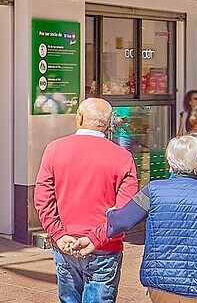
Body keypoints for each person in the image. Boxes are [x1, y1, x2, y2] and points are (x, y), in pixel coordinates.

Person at [106, 132, 197, 303]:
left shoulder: (153, 190)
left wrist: (109, 213)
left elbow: (120, 222)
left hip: (162, 284)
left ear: (170, 162)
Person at [34, 98, 138, 303]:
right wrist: (95, 238)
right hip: (105, 246)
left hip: (66, 243)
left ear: (79, 118)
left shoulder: (54, 149)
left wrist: (57, 233)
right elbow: (125, 212)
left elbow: (43, 197)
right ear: (108, 123)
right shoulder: (123, 157)